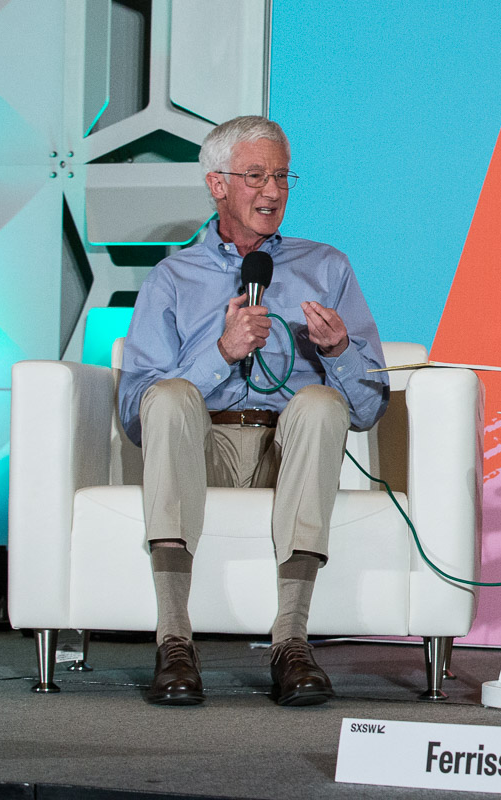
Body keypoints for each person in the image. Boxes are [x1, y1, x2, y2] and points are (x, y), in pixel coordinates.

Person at [118, 116, 389, 707]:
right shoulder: (172, 278)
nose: (272, 192)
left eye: (282, 177)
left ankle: (292, 642)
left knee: (321, 402)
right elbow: (138, 413)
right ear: (217, 184)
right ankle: (174, 643)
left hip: (288, 453)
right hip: (202, 450)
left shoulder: (327, 267)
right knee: (169, 394)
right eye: (256, 176)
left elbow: (368, 408)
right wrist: (221, 353)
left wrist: (340, 351)